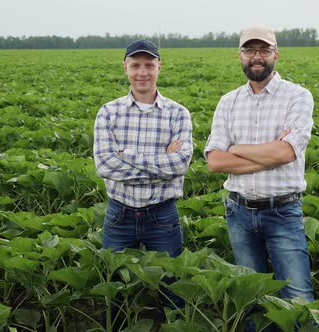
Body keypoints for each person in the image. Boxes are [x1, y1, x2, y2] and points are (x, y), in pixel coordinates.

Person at [205, 25, 315, 329]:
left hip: (283, 211)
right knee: (250, 300)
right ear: (239, 56)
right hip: (238, 212)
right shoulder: (228, 102)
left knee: (298, 299)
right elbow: (215, 161)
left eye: (264, 50)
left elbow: (285, 154)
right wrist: (269, 154)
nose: (257, 56)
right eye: (250, 50)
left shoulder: (298, 97)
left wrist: (236, 149)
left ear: (276, 54)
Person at [93, 39, 193, 327]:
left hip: (162, 213)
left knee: (173, 289)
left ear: (159, 67)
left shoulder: (178, 113)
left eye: (149, 65)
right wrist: (160, 162)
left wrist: (128, 156)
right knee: (113, 291)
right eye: (135, 65)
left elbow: (180, 164)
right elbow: (105, 165)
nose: (142, 72)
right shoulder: (109, 112)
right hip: (119, 213)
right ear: (125, 68)